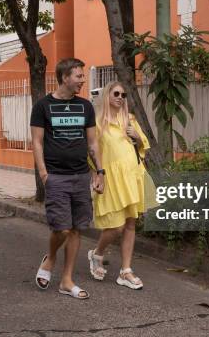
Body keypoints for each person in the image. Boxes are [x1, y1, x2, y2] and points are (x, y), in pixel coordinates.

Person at [30, 58, 104, 300]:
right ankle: (50, 257)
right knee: (61, 229)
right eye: (79, 76)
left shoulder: (85, 107)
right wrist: (43, 174)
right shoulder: (43, 106)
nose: (82, 80)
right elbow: (38, 142)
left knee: (76, 229)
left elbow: (92, 143)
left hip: (81, 175)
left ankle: (67, 280)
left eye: (82, 76)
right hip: (57, 177)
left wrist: (100, 172)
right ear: (64, 78)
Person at [87, 81, 151, 290]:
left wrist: (137, 137)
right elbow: (92, 151)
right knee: (116, 226)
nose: (120, 97)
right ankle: (97, 254)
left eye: (123, 95)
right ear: (107, 96)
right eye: (116, 93)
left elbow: (144, 146)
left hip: (132, 176)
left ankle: (126, 270)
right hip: (111, 178)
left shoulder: (130, 120)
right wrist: (96, 175)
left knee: (131, 224)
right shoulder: (97, 123)